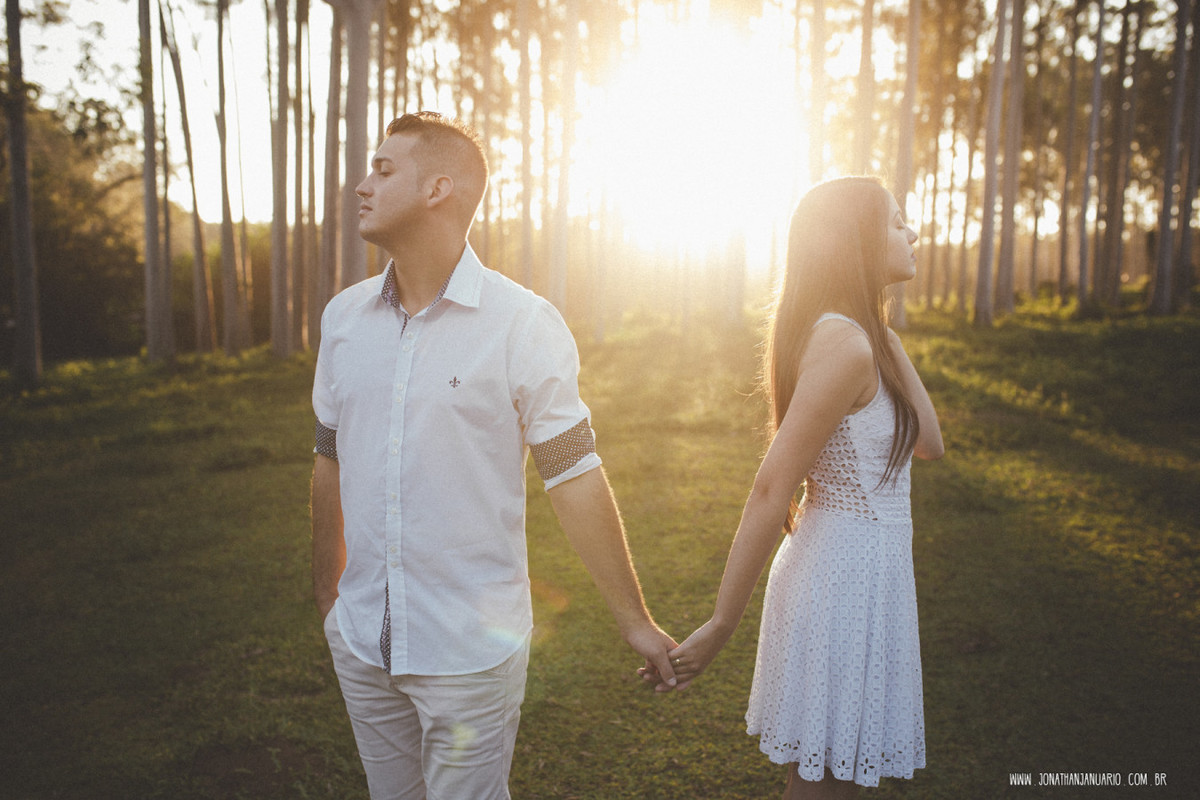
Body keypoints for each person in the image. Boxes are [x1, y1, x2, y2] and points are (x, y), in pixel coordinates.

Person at [310, 111, 678, 800]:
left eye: (383, 170)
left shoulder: (522, 323)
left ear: (438, 189)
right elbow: (328, 457)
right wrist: (330, 596)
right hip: (361, 640)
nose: (362, 185)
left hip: (469, 652)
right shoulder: (342, 320)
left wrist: (634, 620)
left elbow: (573, 473)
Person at [658, 177, 944, 799]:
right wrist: (721, 623)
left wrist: (888, 336)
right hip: (842, 578)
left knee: (835, 782)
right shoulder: (843, 343)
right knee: (824, 786)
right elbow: (771, 489)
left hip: (868, 572)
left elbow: (930, 442)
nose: (913, 232)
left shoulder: (867, 340)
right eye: (898, 222)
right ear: (860, 241)